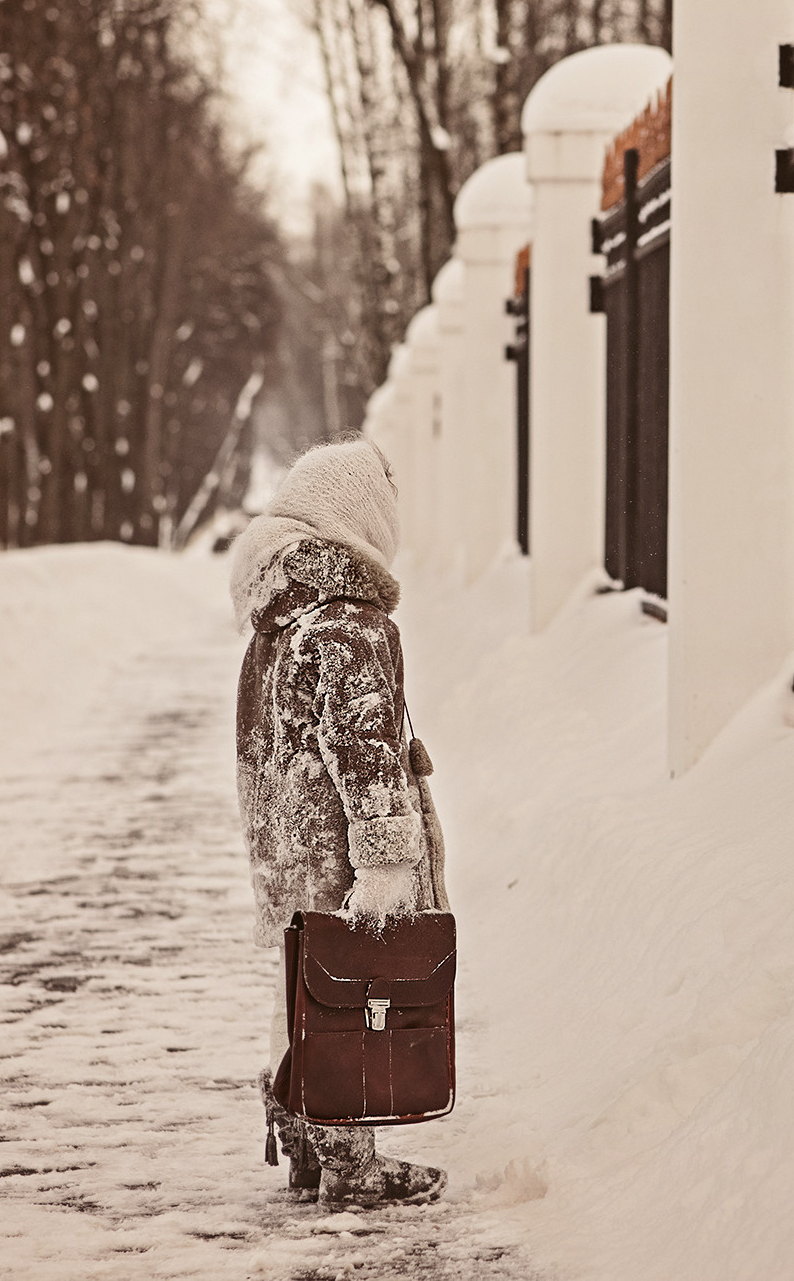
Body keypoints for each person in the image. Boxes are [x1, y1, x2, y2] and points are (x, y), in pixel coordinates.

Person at [227, 435, 449, 1208]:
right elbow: (364, 748)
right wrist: (385, 861)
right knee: (355, 993)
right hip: (340, 847)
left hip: (290, 843)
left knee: (306, 986)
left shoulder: (278, 621)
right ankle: (351, 1167)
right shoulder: (348, 623)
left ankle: (303, 1135)